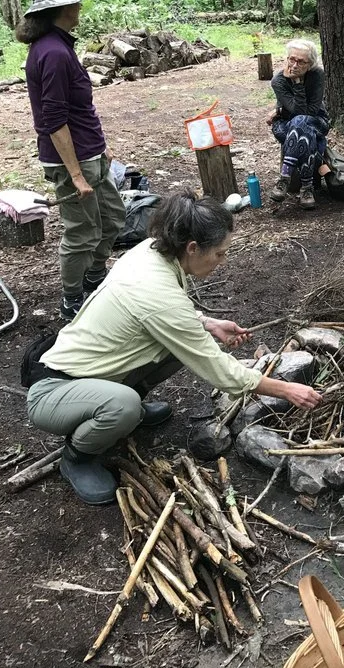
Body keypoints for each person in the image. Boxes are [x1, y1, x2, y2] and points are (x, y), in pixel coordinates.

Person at [24, 192, 322, 505]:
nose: (223, 261)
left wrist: (206, 322)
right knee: (123, 405)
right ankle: (78, 457)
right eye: (220, 254)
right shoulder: (155, 288)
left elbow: (156, 314)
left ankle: (125, 407)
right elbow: (219, 370)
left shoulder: (151, 251)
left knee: (176, 350)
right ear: (192, 247)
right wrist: (285, 389)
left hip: (92, 374)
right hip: (54, 392)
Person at [17, 0, 126, 321]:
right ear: (62, 7)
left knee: (112, 218)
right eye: (75, 0)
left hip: (90, 152)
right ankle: (72, 300)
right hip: (71, 161)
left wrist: (101, 145)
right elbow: (53, 120)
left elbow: (80, 109)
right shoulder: (52, 53)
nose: (80, 5)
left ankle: (95, 280)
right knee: (82, 233)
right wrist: (76, 174)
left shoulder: (62, 45)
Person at [267, 39, 329, 210]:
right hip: (285, 124)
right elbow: (296, 111)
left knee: (301, 123)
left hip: (316, 121)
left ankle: (284, 179)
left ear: (310, 64)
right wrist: (296, 83)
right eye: (291, 59)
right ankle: (307, 187)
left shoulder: (317, 75)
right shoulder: (278, 81)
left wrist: (298, 83)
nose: (294, 65)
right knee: (301, 129)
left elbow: (310, 111)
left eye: (301, 61)